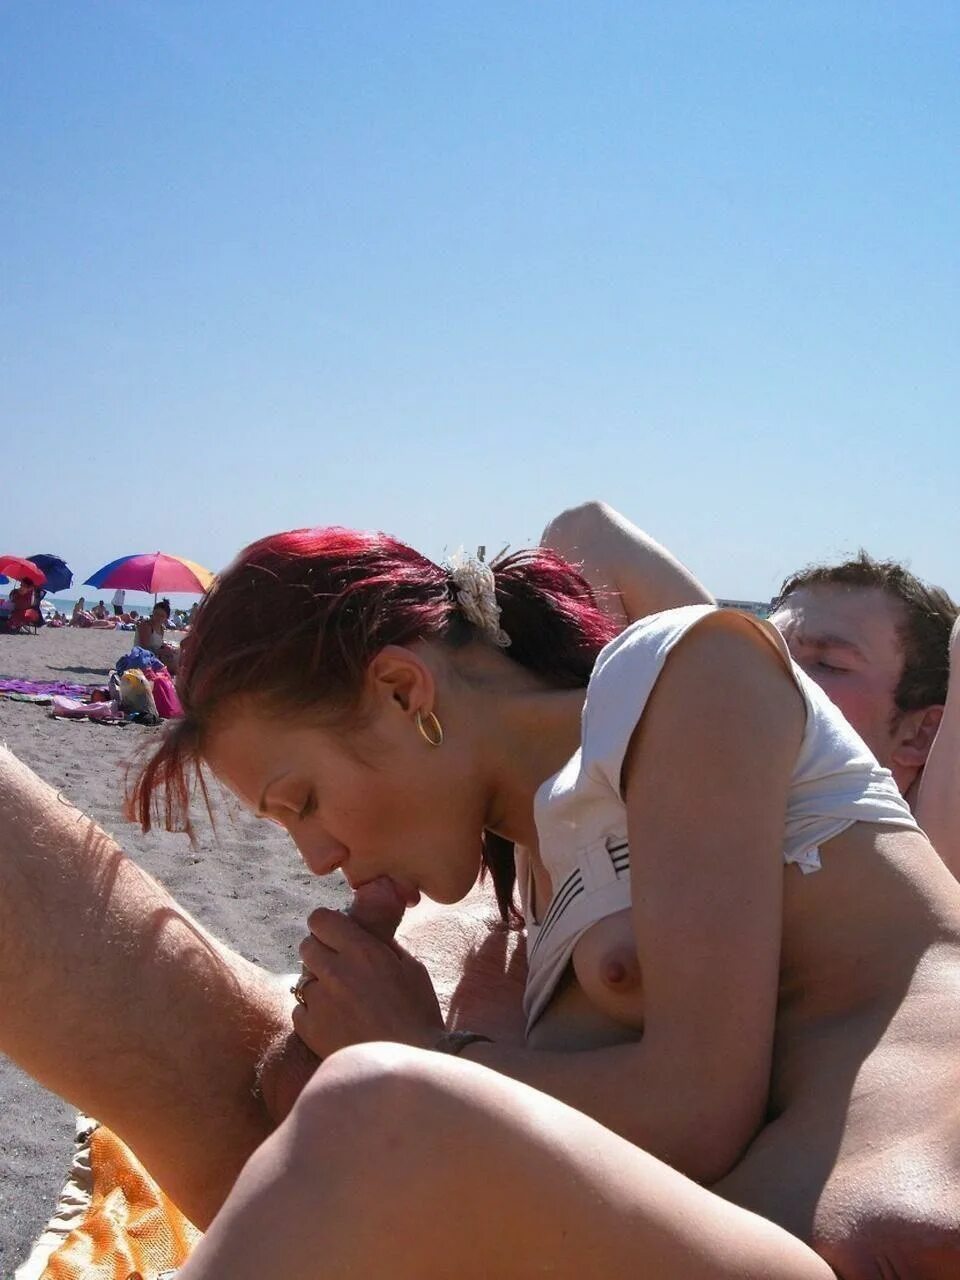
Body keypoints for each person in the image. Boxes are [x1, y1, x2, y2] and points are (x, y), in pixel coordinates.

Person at [3, 520, 956, 1276]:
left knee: (377, 1101)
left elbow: (697, 1109)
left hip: (907, 1207)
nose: (318, 856)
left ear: (401, 689)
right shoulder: (540, 881)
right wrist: (337, 1038)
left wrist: (421, 1053)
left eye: (304, 802)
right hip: (772, 1247)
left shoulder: (684, 671)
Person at [136, 598, 180, 674]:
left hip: (156, 655)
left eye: (162, 616)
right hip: (143, 657)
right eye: (156, 614)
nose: (158, 617)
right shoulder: (146, 626)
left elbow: (157, 644)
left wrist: (166, 647)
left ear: (166, 618)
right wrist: (162, 651)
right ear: (153, 613)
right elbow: (144, 648)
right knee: (175, 665)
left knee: (179, 655)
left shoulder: (161, 628)